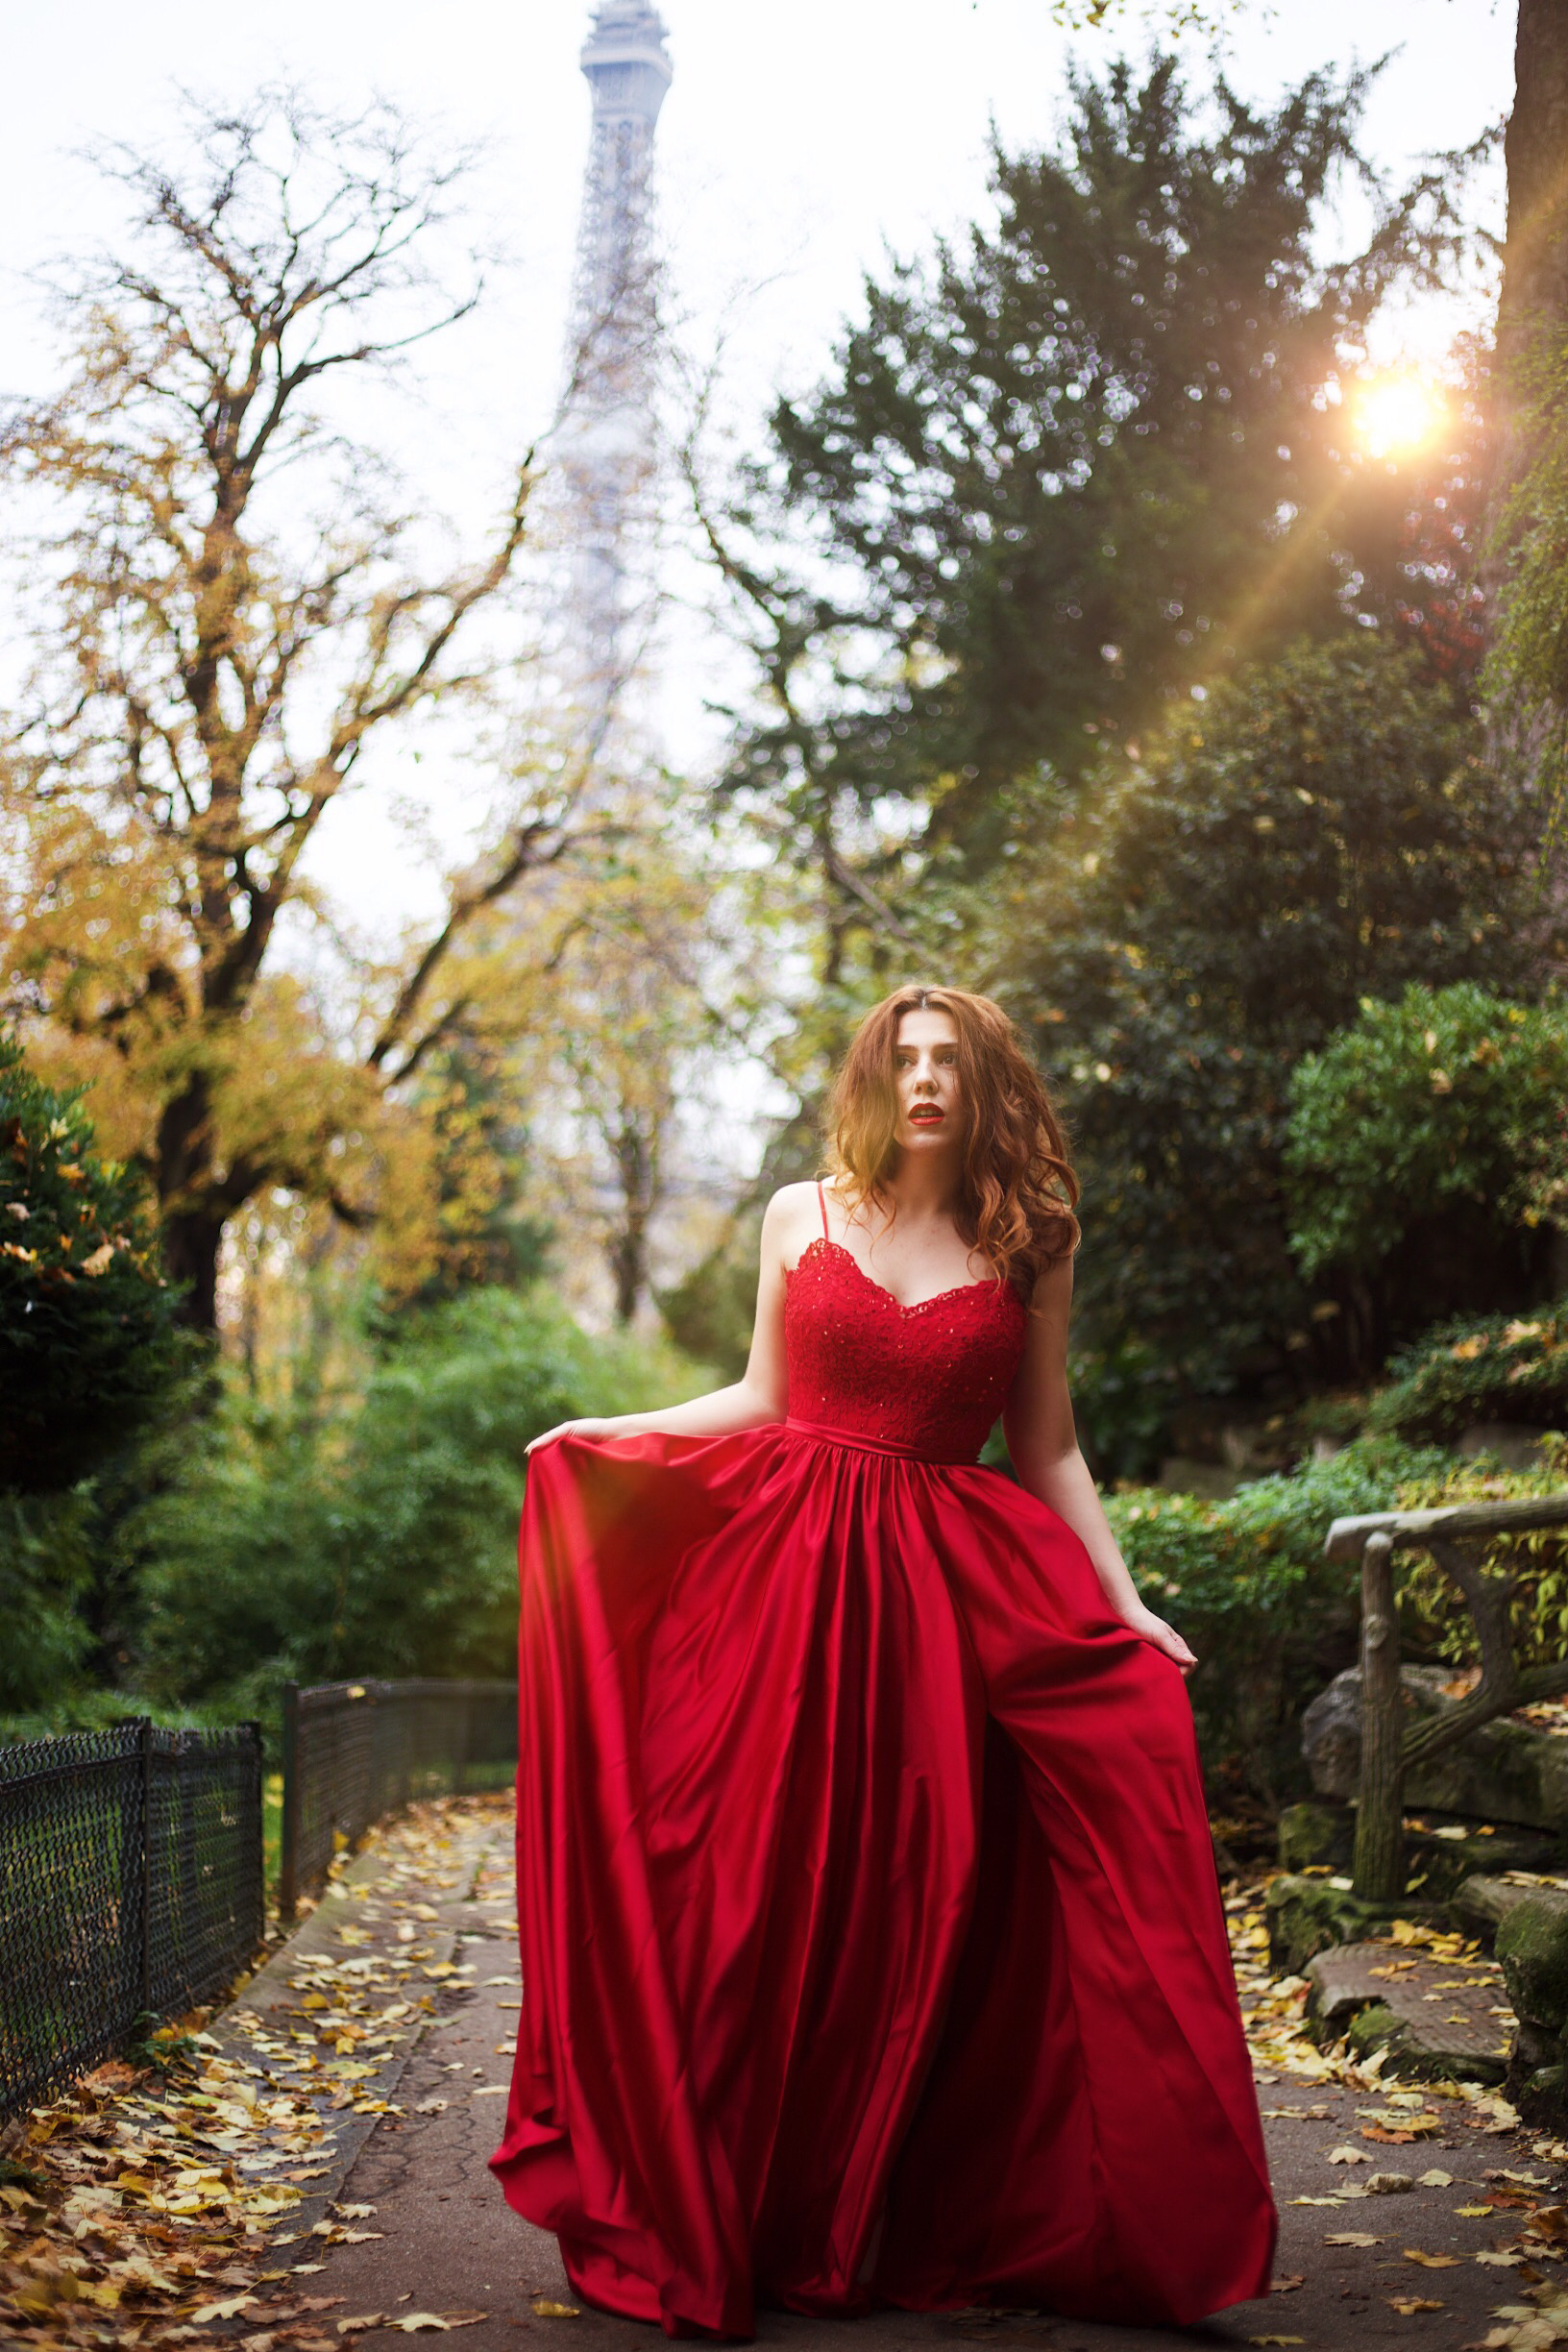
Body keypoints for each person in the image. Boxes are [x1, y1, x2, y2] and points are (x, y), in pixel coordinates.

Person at [490, 985, 1277, 2340]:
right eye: (902, 1061)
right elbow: (762, 1400)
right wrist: (603, 1434)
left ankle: (879, 2210)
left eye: (948, 1064)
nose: (924, 1083)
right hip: (785, 1589)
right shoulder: (803, 1214)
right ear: (874, 1078)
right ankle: (728, 2205)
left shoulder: (1034, 1238)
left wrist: (1127, 1604)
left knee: (912, 1907)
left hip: (942, 1610)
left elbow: (1050, 1448)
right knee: (753, 1899)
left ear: (984, 1086)